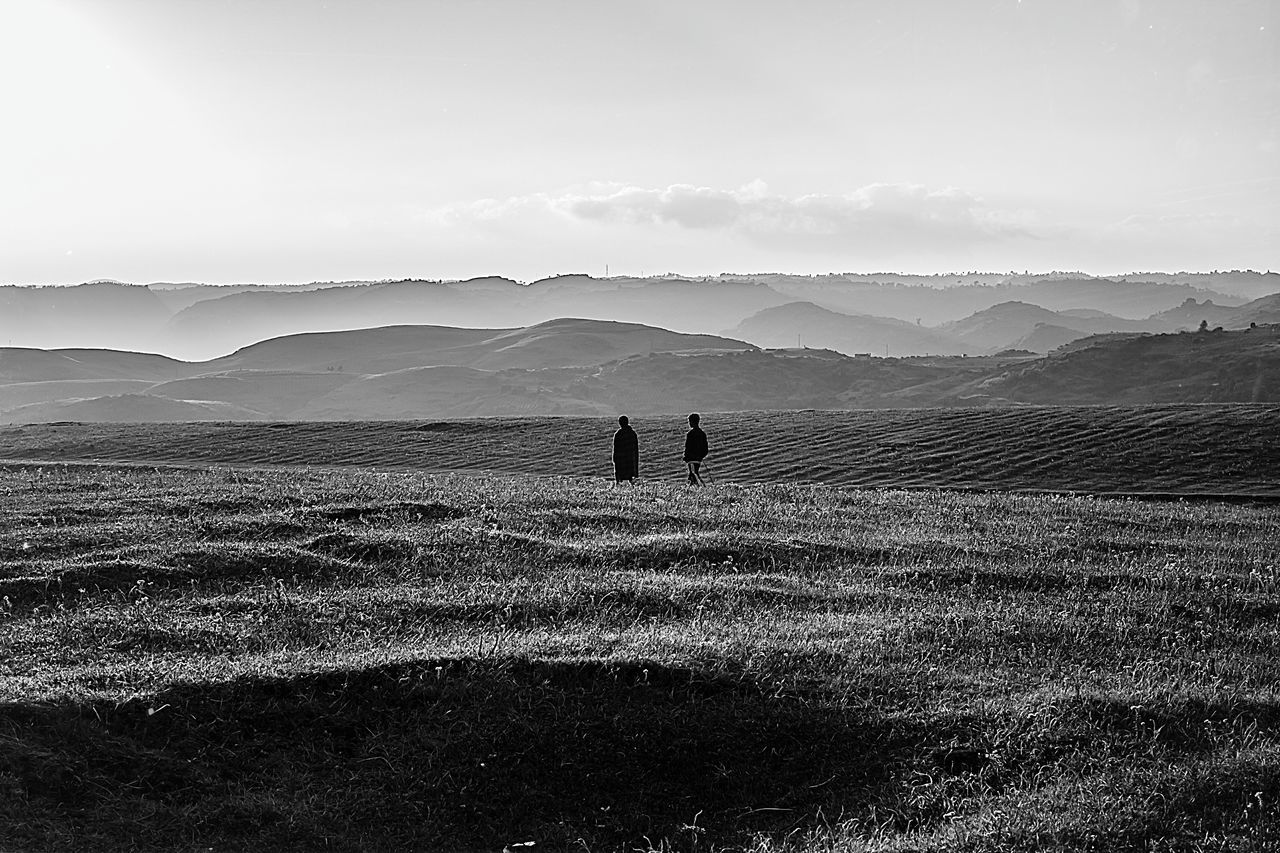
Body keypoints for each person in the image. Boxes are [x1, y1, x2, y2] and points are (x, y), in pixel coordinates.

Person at [612, 415, 639, 485]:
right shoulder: (632, 433)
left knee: (619, 479)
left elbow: (616, 448)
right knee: (631, 478)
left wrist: (614, 459)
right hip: (630, 459)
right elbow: (636, 449)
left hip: (621, 459)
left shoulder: (618, 434)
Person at [683, 413, 708, 484]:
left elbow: (688, 447)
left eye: (690, 422)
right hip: (698, 459)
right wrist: (701, 456)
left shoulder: (690, 434)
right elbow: (705, 448)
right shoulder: (702, 434)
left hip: (691, 459)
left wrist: (686, 456)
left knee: (693, 474)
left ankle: (699, 488)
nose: (689, 424)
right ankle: (698, 488)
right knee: (694, 473)